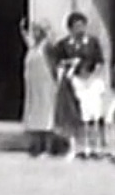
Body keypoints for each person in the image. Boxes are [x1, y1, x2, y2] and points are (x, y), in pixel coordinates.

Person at [51, 12, 105, 160]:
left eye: (82, 25)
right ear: (70, 28)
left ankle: (95, 147)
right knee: (75, 115)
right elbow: (57, 62)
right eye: (76, 26)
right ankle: (76, 147)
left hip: (91, 81)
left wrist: (93, 76)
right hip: (73, 81)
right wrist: (68, 68)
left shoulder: (93, 42)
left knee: (93, 116)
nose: (80, 29)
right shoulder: (64, 44)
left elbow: (100, 61)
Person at [21, 20, 57, 158]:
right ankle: (36, 145)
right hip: (33, 85)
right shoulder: (33, 47)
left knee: (47, 113)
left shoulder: (46, 46)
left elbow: (52, 64)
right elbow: (26, 39)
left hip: (45, 84)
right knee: (34, 113)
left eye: (37, 30)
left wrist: (55, 81)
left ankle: (48, 147)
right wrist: (23, 29)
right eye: (33, 30)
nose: (34, 33)